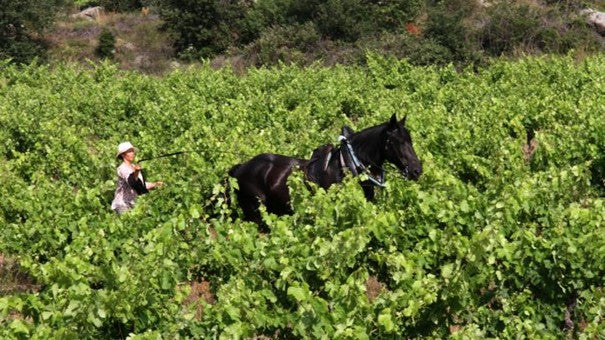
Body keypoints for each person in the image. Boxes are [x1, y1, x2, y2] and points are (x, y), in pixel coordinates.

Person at [111, 141, 163, 214]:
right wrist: (136, 172)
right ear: (123, 155)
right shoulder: (122, 168)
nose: (132, 153)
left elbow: (141, 185)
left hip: (132, 203)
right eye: (129, 151)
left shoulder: (133, 167)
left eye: (132, 151)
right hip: (122, 205)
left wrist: (156, 184)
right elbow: (132, 183)